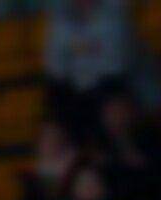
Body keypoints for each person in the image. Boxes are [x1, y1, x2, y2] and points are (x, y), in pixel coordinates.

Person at [43, 0, 135, 138]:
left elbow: (116, 64)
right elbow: (56, 67)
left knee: (115, 104)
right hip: (74, 91)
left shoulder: (114, 13)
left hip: (110, 87)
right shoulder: (60, 19)